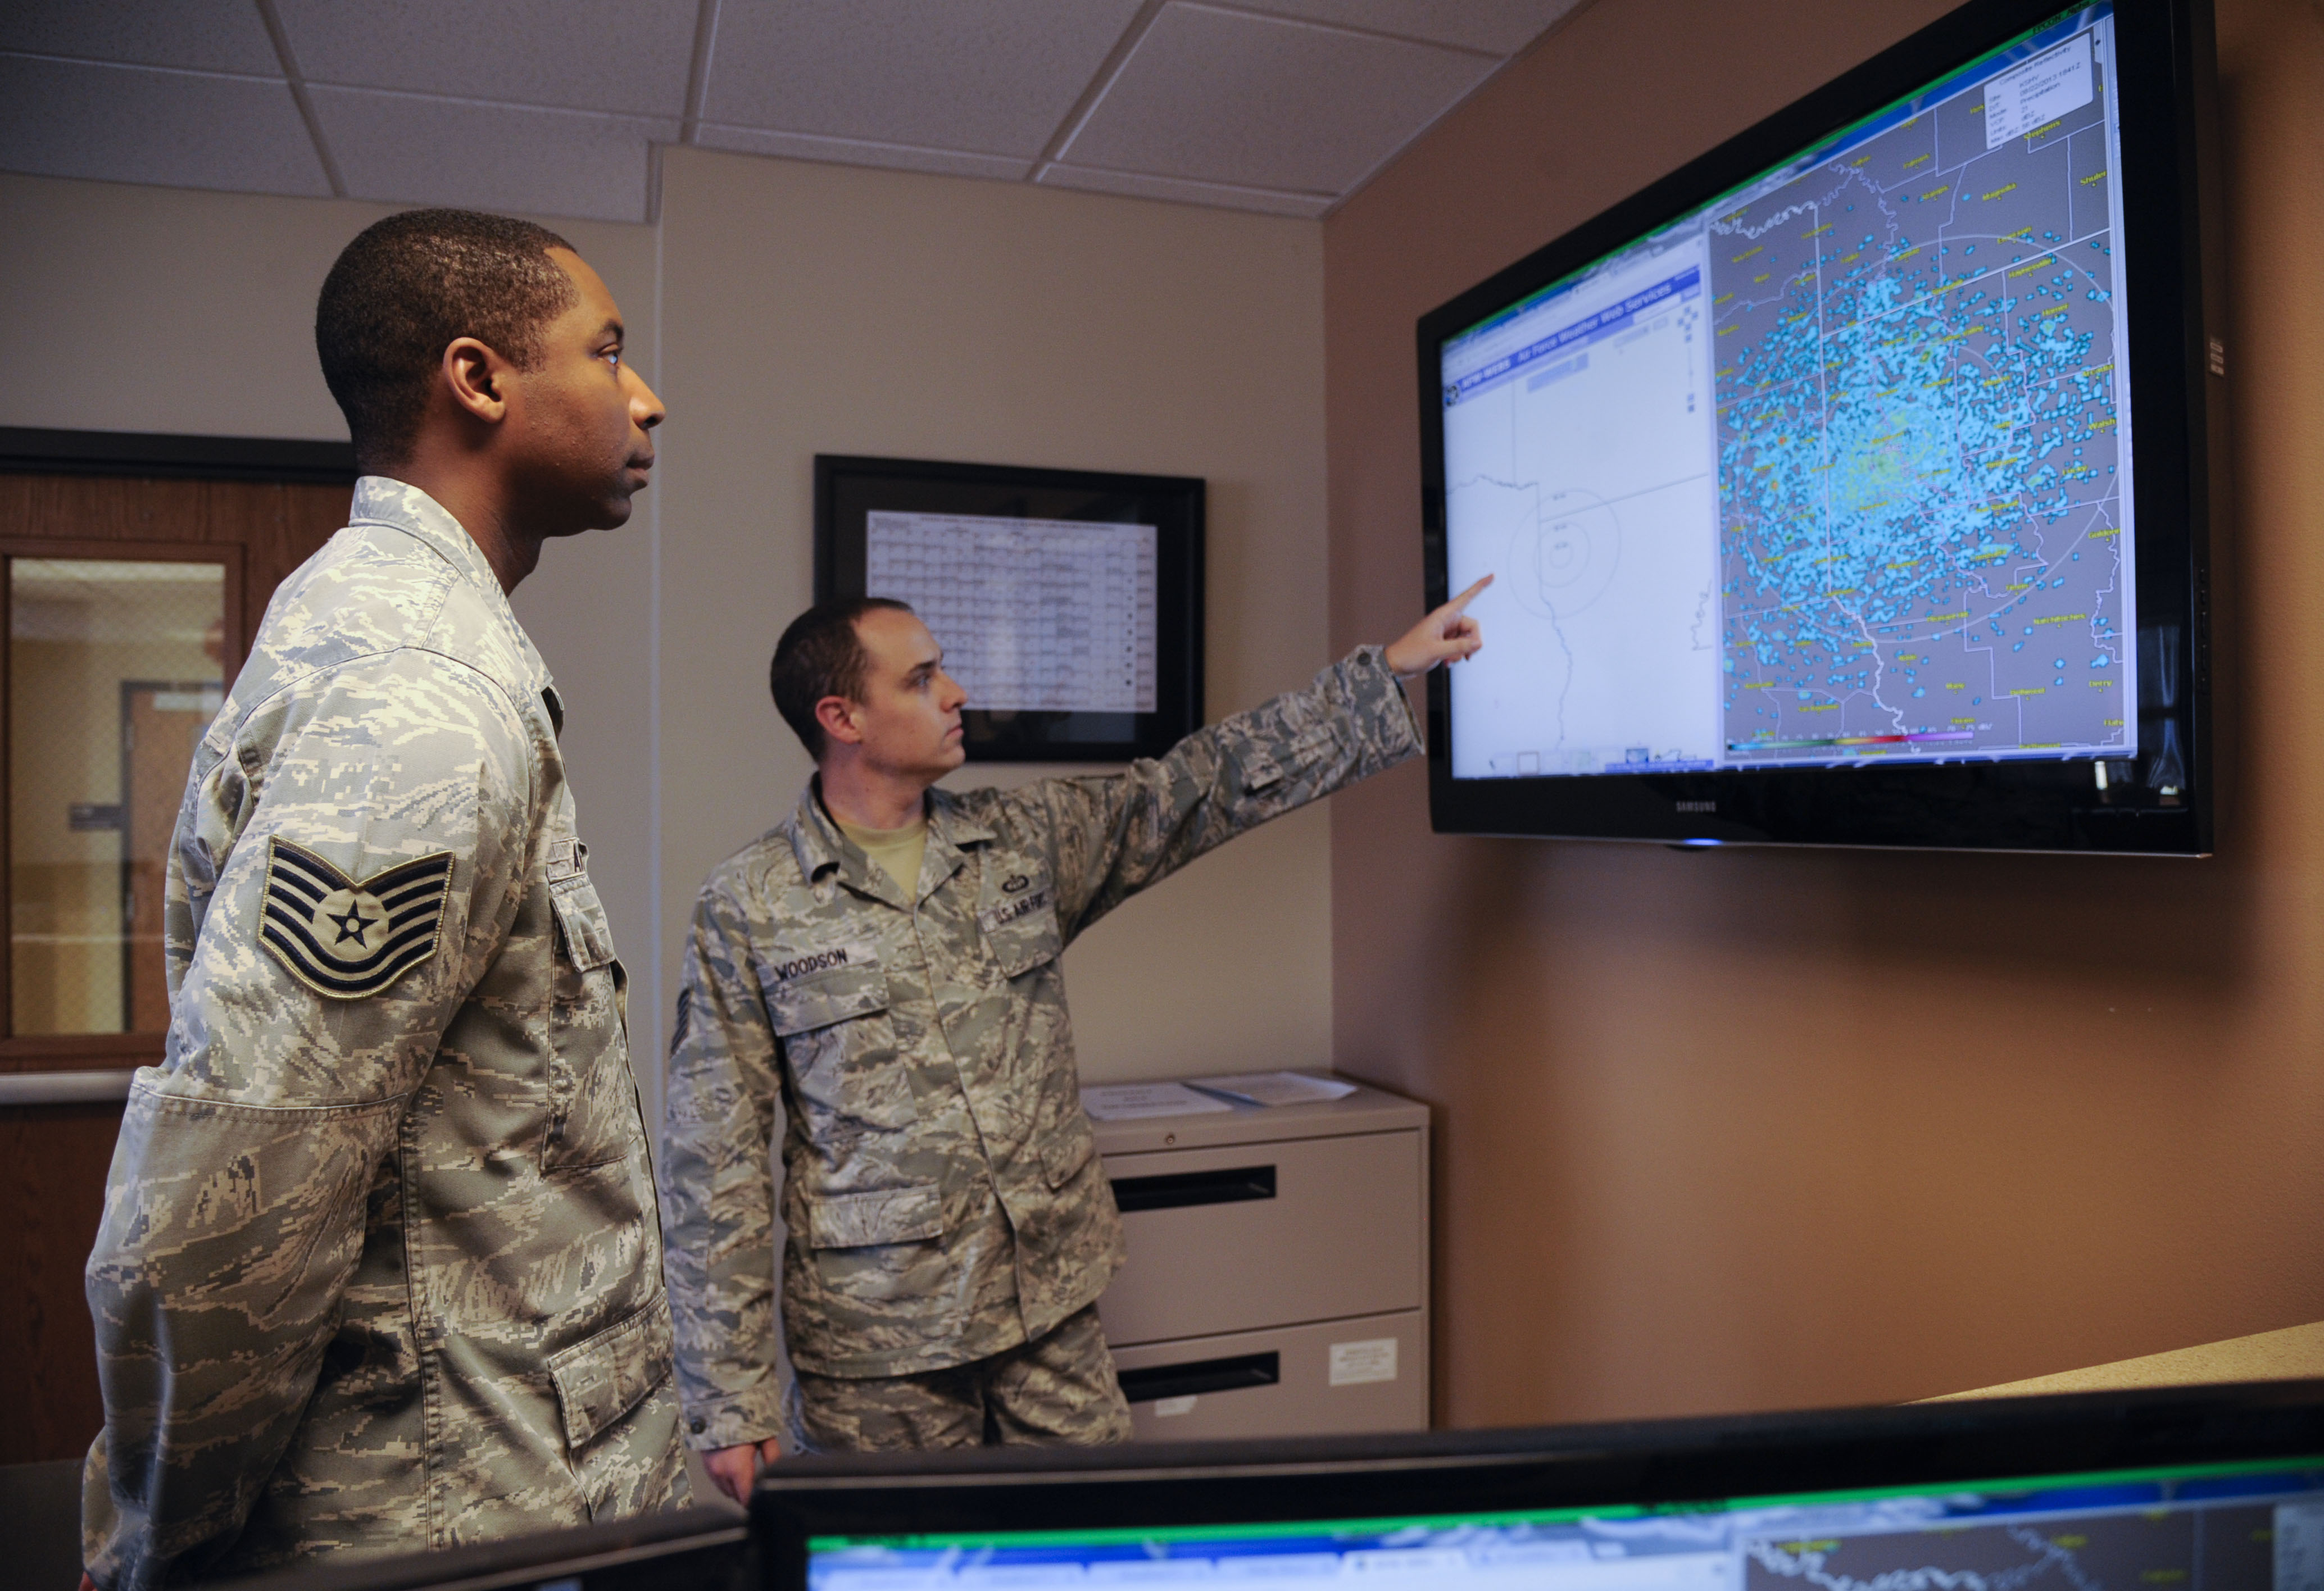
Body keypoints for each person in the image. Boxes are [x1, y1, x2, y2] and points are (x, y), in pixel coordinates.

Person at [80, 209, 688, 1590]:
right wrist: (157, 1544)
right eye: (605, 351)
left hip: (513, 1473)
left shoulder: (407, 640)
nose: (645, 396)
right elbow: (236, 1197)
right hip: (452, 1515)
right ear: (478, 380)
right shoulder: (415, 694)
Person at [660, 578, 1490, 1500]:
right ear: (842, 716)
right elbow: (714, 1157)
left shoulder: (1025, 841)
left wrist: (1387, 674)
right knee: (891, 1568)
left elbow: (1197, 785)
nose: (956, 694)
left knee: (1095, 1543)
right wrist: (727, 1399)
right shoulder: (750, 904)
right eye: (924, 678)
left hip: (1048, 1310)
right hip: (879, 1350)